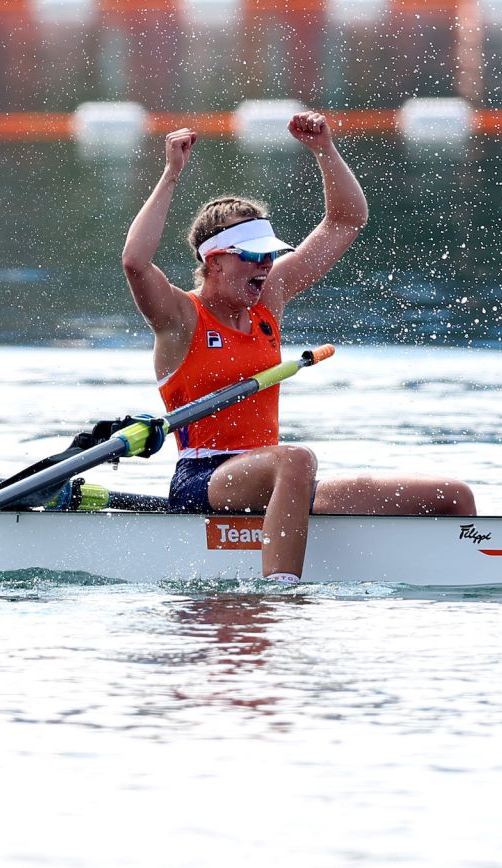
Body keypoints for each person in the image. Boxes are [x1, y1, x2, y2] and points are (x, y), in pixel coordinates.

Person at [122, 112, 476, 584]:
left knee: (453, 496)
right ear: (214, 261)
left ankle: (470, 573)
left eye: (270, 255)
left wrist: (324, 149)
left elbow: (346, 221)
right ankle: (281, 594)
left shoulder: (270, 299)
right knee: (297, 458)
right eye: (253, 257)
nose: (267, 266)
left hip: (275, 478)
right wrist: (171, 174)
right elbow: (135, 261)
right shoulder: (179, 318)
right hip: (205, 479)